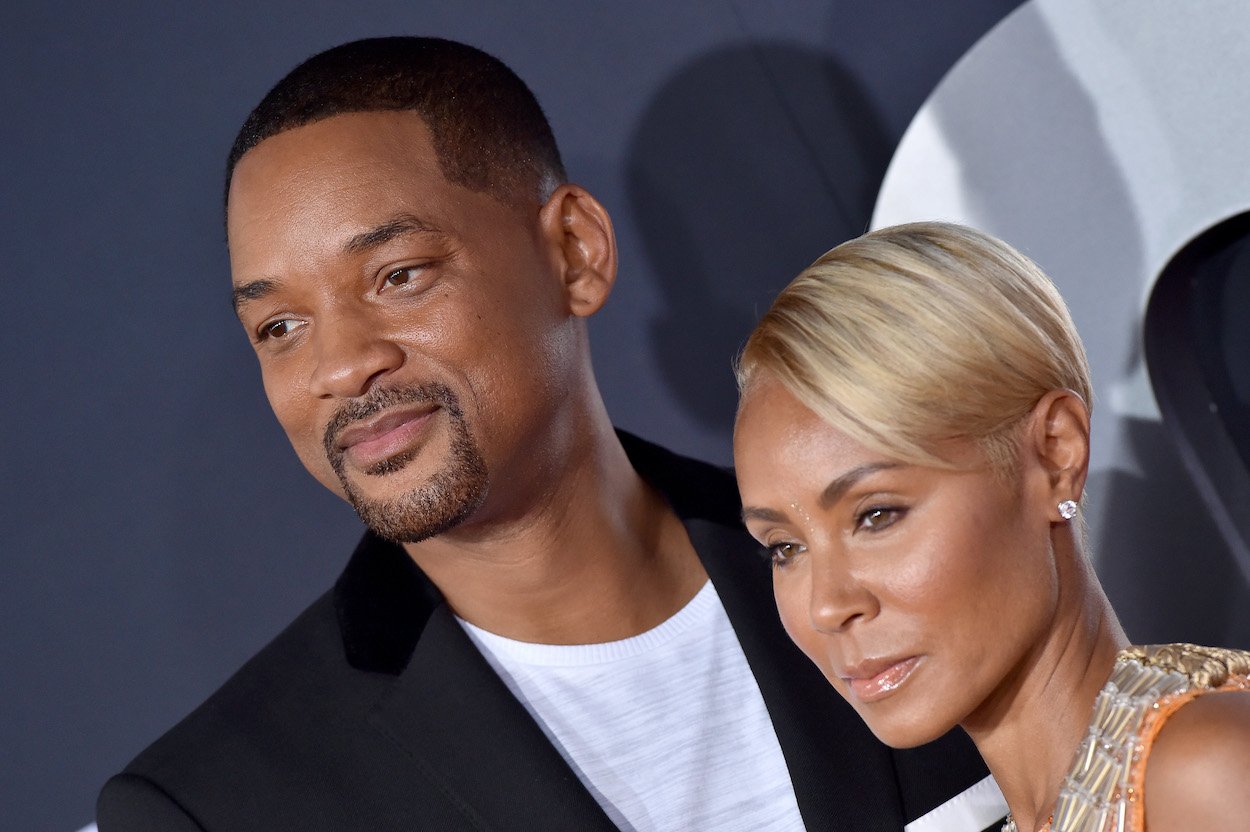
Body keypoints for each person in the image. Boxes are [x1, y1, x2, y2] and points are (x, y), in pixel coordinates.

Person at [95, 39, 1004, 831]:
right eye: (279, 329)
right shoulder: (221, 805)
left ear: (574, 251)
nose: (339, 367)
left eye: (398, 276)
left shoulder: (924, 565)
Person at [733, 221, 1250, 832]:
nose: (827, 606)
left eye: (876, 515)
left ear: (1056, 454)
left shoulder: (1207, 771)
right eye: (785, 548)